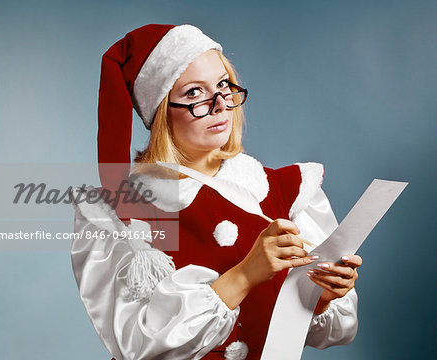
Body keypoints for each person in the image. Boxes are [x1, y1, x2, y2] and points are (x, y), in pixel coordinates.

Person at [70, 24, 362, 360]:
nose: (220, 104)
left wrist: (321, 296)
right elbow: (137, 344)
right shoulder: (123, 213)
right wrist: (243, 275)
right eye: (194, 93)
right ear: (161, 110)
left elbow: (317, 333)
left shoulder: (287, 191)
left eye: (223, 84)